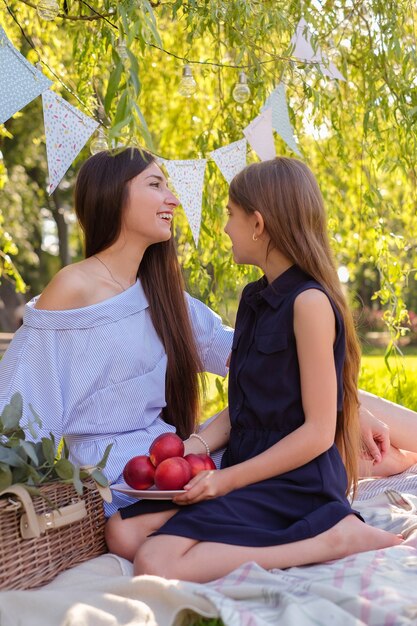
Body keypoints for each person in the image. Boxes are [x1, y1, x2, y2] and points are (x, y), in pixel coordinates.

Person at [105, 157, 402, 583]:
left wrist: (226, 483)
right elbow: (246, 405)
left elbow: (319, 433)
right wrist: (195, 446)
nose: (225, 228)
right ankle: (259, 532)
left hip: (297, 482)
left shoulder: (310, 304)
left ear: (258, 223)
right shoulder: (253, 299)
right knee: (122, 530)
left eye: (230, 215)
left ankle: (333, 538)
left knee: (156, 561)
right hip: (249, 471)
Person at [0, 147, 233, 516]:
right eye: (156, 184)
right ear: (113, 197)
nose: (173, 199)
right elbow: (21, 403)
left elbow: (243, 352)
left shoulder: (163, 295)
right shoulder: (73, 287)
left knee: (309, 418)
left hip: (176, 465)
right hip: (115, 484)